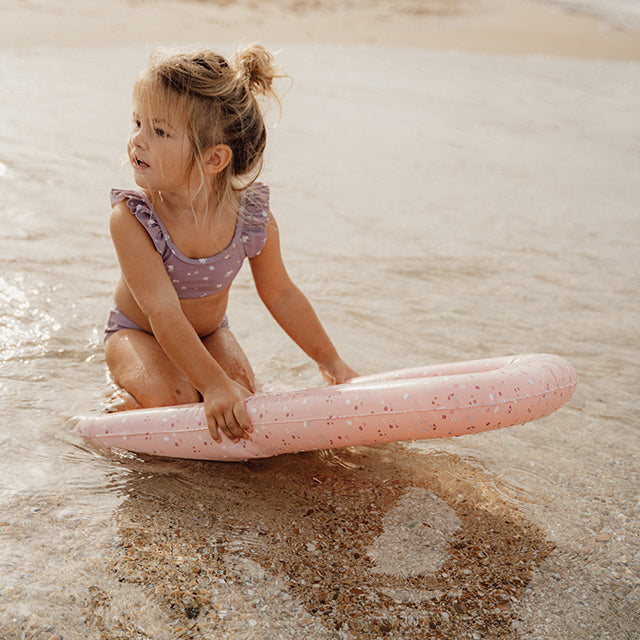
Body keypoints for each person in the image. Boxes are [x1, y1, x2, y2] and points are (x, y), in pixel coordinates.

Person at [104, 45, 358, 444]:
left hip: (208, 332)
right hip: (137, 334)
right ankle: (128, 398)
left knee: (244, 400)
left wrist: (332, 362)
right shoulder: (133, 218)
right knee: (175, 398)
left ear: (214, 159)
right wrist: (212, 384)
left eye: (159, 131)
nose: (136, 139)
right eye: (137, 122)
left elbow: (281, 293)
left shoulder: (251, 217)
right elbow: (162, 312)